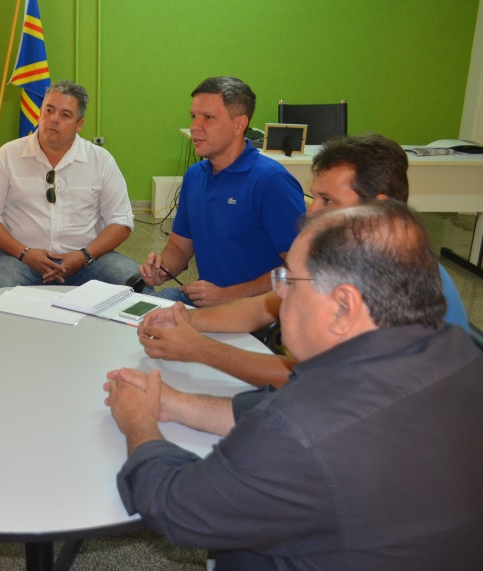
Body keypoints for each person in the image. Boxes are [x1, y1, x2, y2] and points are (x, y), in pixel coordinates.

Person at [107, 200, 483, 569]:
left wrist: (140, 422)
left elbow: (177, 508)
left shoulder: (299, 430)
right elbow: (299, 414)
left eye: (289, 279)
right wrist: (177, 403)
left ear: (344, 306)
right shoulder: (454, 349)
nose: (278, 293)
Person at [138, 133, 470, 388]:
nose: (311, 212)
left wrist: (199, 349)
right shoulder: (346, 262)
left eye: (327, 200)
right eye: (315, 197)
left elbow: (308, 380)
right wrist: (183, 320)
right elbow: (258, 308)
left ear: (377, 208)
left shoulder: (393, 284)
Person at [140, 76, 305, 306]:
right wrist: (162, 268)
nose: (195, 126)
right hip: (207, 303)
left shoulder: (271, 182)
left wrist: (228, 295)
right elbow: (180, 246)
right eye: (193, 116)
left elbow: (301, 269)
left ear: (239, 125)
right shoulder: (195, 175)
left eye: (208, 117)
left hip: (257, 312)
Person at [0, 80, 139, 287]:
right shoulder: (8, 155)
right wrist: (25, 253)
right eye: (49, 110)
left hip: (88, 260)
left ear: (79, 124)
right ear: (39, 113)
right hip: (19, 259)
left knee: (134, 281)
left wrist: (83, 255)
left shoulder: (100, 160)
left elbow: (121, 221)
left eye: (65, 115)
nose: (54, 119)